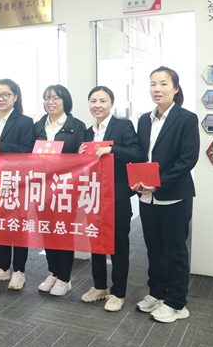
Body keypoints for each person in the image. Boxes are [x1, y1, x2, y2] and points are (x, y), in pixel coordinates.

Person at [132, 67, 198, 323]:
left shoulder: (186, 118)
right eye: (153, 84)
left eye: (163, 83)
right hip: (147, 198)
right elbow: (142, 156)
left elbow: (187, 160)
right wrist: (137, 181)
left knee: (175, 251)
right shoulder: (144, 120)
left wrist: (158, 184)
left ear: (175, 88)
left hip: (174, 196)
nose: (157, 89)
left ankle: (177, 303)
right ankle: (157, 293)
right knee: (154, 249)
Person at [78, 86, 144, 311]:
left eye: (103, 100)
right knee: (96, 242)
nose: (97, 105)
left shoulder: (123, 126)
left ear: (111, 104)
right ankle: (99, 286)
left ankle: (118, 292)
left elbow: (137, 153)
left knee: (118, 244)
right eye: (93, 100)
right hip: (93, 196)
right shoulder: (87, 132)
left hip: (117, 196)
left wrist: (112, 149)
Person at [0, 79, 35, 289]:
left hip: (17, 182)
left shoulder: (25, 121)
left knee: (18, 226)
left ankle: (19, 271)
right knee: (0, 224)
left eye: (6, 95)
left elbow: (27, 149)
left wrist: (3, 146)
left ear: (15, 97)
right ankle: (3, 267)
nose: (0, 99)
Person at [34, 84, 85, 296]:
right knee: (47, 230)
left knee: (63, 231)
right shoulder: (38, 125)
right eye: (47, 98)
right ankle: (53, 272)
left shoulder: (77, 126)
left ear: (65, 101)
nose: (50, 102)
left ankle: (64, 278)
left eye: (55, 98)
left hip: (65, 187)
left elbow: (81, 158)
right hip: (42, 187)